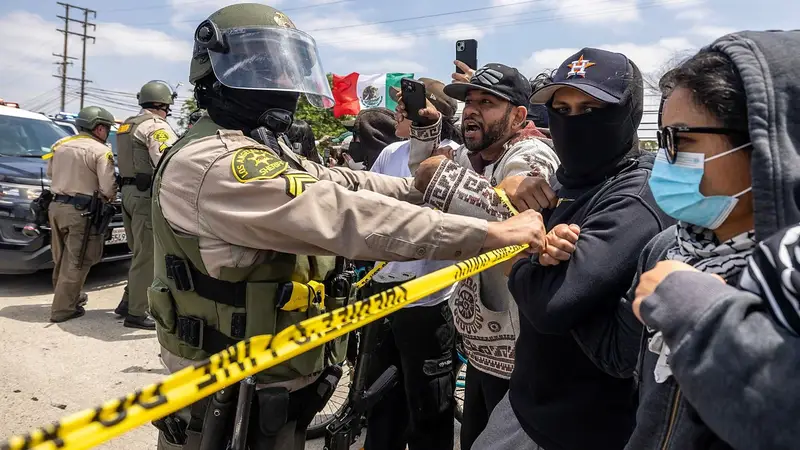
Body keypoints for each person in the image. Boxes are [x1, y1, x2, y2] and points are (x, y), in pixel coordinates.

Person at [149, 5, 548, 450]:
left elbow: (345, 182)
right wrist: (490, 233)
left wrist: (426, 189)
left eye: (286, 67)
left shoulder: (257, 146)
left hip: (265, 379)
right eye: (265, 68)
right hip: (228, 392)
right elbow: (346, 215)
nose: (283, 83)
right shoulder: (217, 162)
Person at [474, 48, 674, 450]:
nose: (573, 122)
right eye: (561, 108)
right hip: (526, 404)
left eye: (590, 108)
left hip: (579, 428)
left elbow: (552, 305)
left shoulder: (635, 195)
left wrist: (521, 254)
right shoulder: (563, 182)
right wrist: (523, 209)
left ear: (628, 113)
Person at [624, 31, 800, 449]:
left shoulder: (787, 278)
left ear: (766, 145)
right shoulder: (667, 247)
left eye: (681, 141)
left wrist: (701, 313)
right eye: (661, 139)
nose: (663, 160)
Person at [397, 63, 560, 450]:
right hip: (482, 352)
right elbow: (423, 177)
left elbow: (516, 225)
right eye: (469, 102)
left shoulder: (530, 153)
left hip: (519, 358)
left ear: (519, 116)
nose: (471, 110)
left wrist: (440, 172)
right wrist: (427, 139)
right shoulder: (478, 159)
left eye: (487, 103)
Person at [363, 78, 463, 450]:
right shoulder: (390, 154)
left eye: (407, 105)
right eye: (400, 106)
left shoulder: (456, 156)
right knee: (379, 400)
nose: (399, 111)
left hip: (429, 302)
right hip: (382, 293)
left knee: (429, 407)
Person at [114, 80, 179, 330]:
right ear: (163, 105)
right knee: (149, 255)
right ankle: (136, 313)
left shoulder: (127, 124)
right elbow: (167, 158)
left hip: (128, 193)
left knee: (139, 252)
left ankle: (127, 301)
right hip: (145, 195)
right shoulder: (155, 126)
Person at [46, 106, 118, 323]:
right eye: (106, 128)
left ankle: (70, 297)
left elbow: (51, 173)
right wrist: (111, 196)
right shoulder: (100, 151)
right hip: (82, 212)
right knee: (78, 260)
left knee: (61, 257)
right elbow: (107, 188)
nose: (106, 132)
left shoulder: (60, 145)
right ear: (98, 128)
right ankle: (63, 309)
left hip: (56, 206)